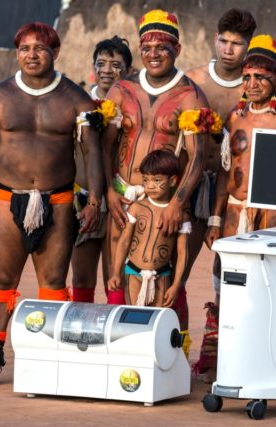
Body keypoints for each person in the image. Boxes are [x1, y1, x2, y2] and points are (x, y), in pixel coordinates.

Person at [0, 22, 104, 386]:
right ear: (17, 53)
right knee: (1, 281)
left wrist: (95, 199)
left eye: (40, 48)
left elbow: (92, 151)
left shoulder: (76, 99)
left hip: (59, 200)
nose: (32, 55)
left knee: (53, 282)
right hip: (7, 199)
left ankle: (52, 360)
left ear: (55, 52)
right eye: (25, 49)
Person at [101, 9, 211, 356]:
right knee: (118, 273)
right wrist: (108, 191)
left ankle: (173, 357)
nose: (153, 54)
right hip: (122, 195)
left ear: (176, 49)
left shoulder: (190, 95)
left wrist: (178, 203)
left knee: (167, 278)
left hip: (167, 203)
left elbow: (198, 156)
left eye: (162, 47)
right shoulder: (122, 89)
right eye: (147, 47)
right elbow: (103, 145)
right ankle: (122, 353)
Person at [185, 8, 256, 382]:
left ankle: (219, 352)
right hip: (193, 182)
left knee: (228, 272)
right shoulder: (192, 82)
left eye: (238, 43)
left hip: (235, 191)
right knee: (174, 265)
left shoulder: (256, 84)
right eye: (224, 41)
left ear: (248, 46)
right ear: (216, 39)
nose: (229, 49)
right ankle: (173, 353)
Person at [205, 33, 276, 267]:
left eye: (261, 78)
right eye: (247, 77)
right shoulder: (235, 116)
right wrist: (215, 219)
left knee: (269, 281)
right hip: (234, 210)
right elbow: (226, 171)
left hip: (275, 215)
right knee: (229, 283)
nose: (252, 85)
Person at [70, 36, 133, 303]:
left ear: (127, 71)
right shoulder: (77, 102)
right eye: (102, 63)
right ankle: (80, 335)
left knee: (115, 274)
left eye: (115, 64)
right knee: (82, 276)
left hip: (121, 199)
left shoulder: (134, 106)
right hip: (82, 197)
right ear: (93, 67)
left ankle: (114, 337)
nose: (107, 69)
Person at [108, 150, 190, 307]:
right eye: (146, 180)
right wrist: (116, 272)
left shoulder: (179, 216)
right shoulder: (137, 208)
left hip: (162, 274)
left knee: (156, 321)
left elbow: (182, 253)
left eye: (157, 180)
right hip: (133, 272)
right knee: (135, 318)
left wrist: (176, 285)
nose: (150, 186)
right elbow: (124, 241)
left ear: (172, 181)